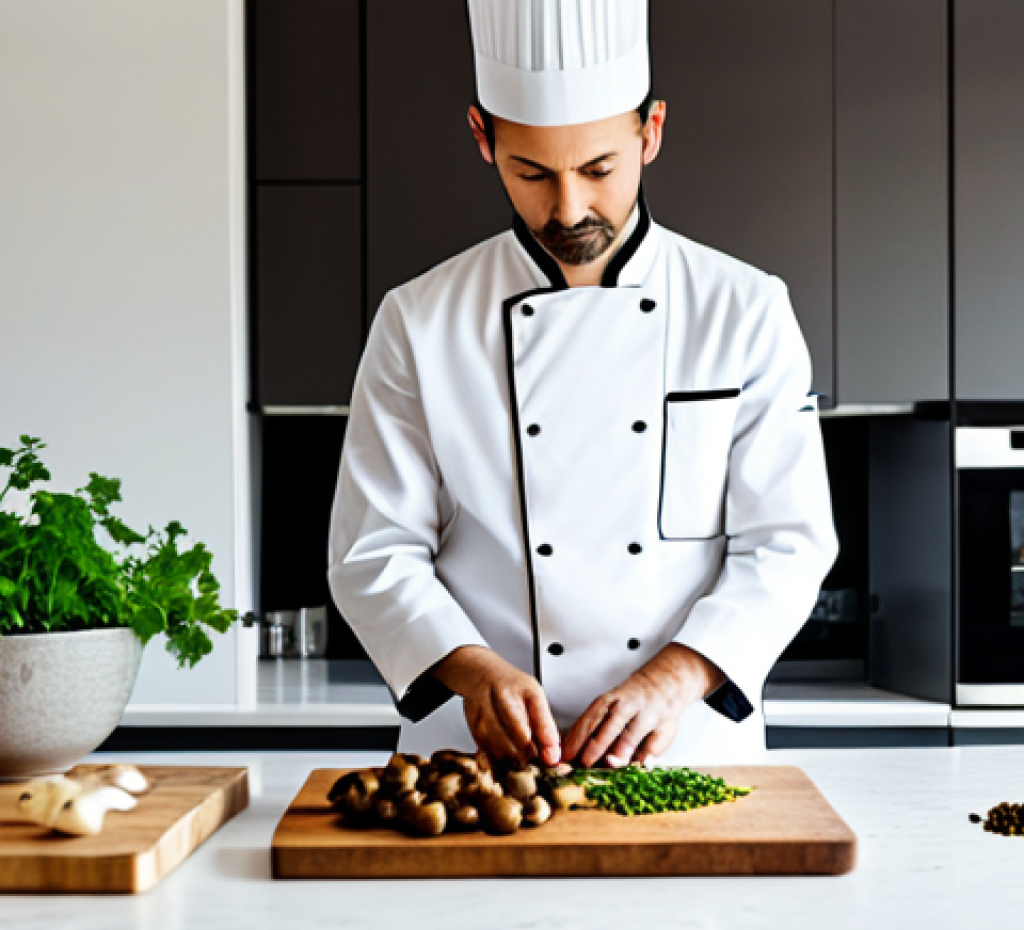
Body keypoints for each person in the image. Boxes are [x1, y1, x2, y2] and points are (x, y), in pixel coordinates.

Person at [329, 0, 837, 769]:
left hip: (685, 752)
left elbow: (788, 543)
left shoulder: (744, 309)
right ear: (482, 138)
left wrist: (674, 678)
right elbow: (373, 551)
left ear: (651, 131)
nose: (568, 208)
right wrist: (473, 673)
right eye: (531, 172)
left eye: (598, 169)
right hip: (476, 764)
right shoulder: (418, 321)